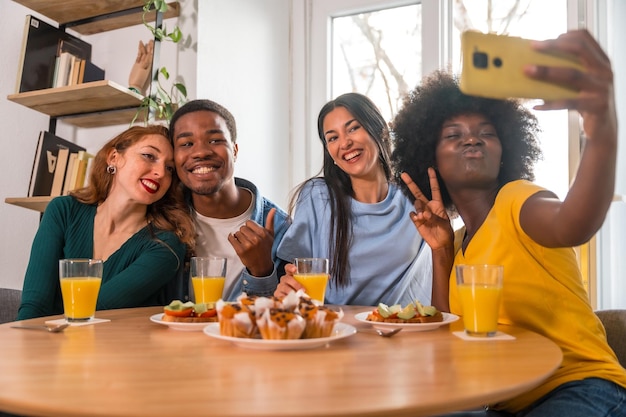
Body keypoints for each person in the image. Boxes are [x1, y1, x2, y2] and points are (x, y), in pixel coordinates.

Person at [391, 30, 626, 416]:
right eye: (454, 135)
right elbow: (448, 339)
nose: (473, 141)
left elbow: (574, 223)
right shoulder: (463, 241)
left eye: (487, 133)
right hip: (507, 403)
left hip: (580, 387)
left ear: (506, 151)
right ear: (430, 158)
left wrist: (601, 128)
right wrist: (441, 249)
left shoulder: (518, 200)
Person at [274, 93, 451, 309]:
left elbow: (439, 290)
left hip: (404, 332)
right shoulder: (317, 197)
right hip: (336, 332)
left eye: (353, 128)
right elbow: (291, 276)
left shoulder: (415, 199)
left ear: (380, 130)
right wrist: (287, 287)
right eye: (332, 137)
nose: (345, 143)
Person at [18, 125, 195, 320]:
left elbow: (94, 311)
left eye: (170, 168)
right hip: (43, 343)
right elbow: (33, 305)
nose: (161, 173)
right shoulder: (64, 211)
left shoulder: (166, 244)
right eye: (149, 156)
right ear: (114, 158)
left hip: (113, 348)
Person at [169, 99, 290, 301]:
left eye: (215, 140)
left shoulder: (282, 229)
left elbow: (283, 319)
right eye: (187, 144)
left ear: (234, 150)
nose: (200, 152)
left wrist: (261, 271)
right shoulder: (163, 221)